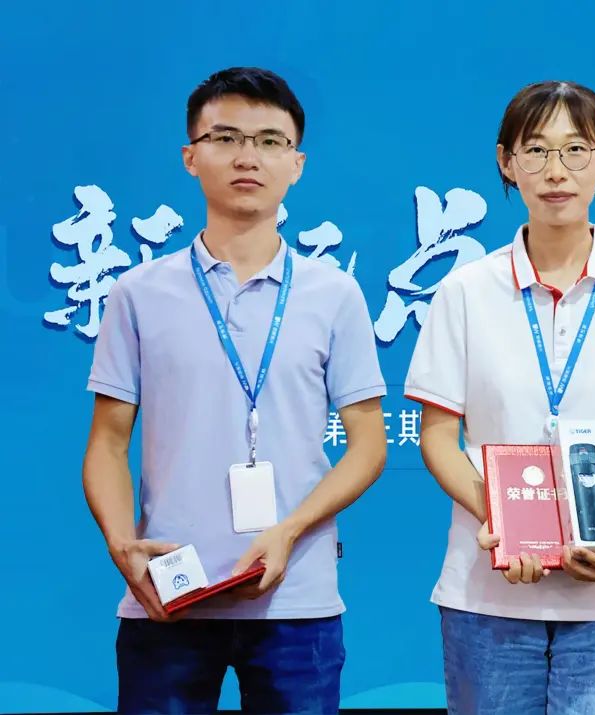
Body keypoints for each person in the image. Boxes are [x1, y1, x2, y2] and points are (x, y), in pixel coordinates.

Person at [82, 66, 387, 714]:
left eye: (270, 141)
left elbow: (368, 445)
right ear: (191, 157)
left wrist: (290, 530)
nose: (248, 157)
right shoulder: (138, 293)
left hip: (295, 599)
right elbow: (107, 442)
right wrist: (123, 548)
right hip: (168, 593)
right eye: (225, 138)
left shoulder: (335, 294)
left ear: (297, 164)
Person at [404, 80, 595, 714]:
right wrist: (503, 520)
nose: (555, 171)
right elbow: (438, 435)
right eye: (536, 151)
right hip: (487, 594)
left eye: (575, 150)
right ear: (506, 162)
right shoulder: (465, 291)